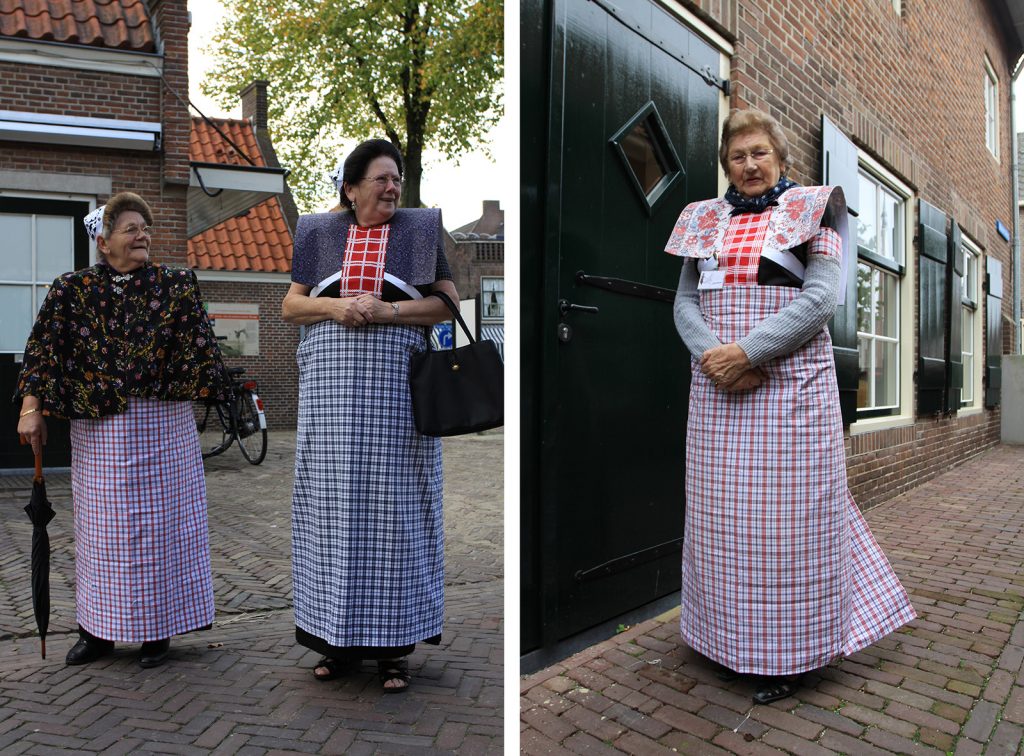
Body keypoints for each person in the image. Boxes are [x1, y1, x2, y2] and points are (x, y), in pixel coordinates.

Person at [665, 109, 916, 704]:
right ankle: (726, 640)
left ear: (780, 157)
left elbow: (823, 297)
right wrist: (716, 360)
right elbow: (681, 303)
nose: (748, 165)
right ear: (724, 165)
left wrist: (750, 353)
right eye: (736, 156)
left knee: (788, 524)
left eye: (758, 153)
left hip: (789, 396)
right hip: (718, 393)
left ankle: (789, 652)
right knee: (722, 522)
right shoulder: (701, 220)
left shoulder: (812, 208)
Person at [14, 193, 232, 669]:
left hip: (162, 426)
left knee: (162, 532)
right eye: (131, 228)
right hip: (101, 429)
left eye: (145, 228)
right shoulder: (71, 290)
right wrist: (31, 408)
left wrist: (212, 389)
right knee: (102, 536)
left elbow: (201, 352)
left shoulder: (175, 285)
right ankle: (98, 632)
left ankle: (158, 631)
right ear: (103, 241)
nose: (142, 236)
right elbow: (42, 353)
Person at [283, 139, 458, 693]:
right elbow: (291, 305)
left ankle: (392, 652)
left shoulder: (420, 230)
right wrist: (336, 306)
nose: (391, 187)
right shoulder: (316, 233)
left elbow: (447, 303)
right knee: (332, 515)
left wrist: (388, 310)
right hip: (329, 408)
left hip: (396, 405)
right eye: (380, 178)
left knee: (393, 515)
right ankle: (335, 645)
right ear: (351, 188)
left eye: (397, 178)